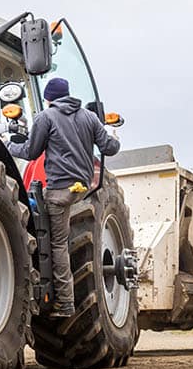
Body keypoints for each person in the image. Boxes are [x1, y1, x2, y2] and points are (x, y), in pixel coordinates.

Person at [7, 77, 120, 318]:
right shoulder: (89, 117)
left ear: (48, 99)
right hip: (83, 188)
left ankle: (65, 303)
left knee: (56, 243)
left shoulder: (46, 117)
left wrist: (9, 146)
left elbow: (30, 151)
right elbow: (109, 147)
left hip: (58, 190)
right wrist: (113, 135)